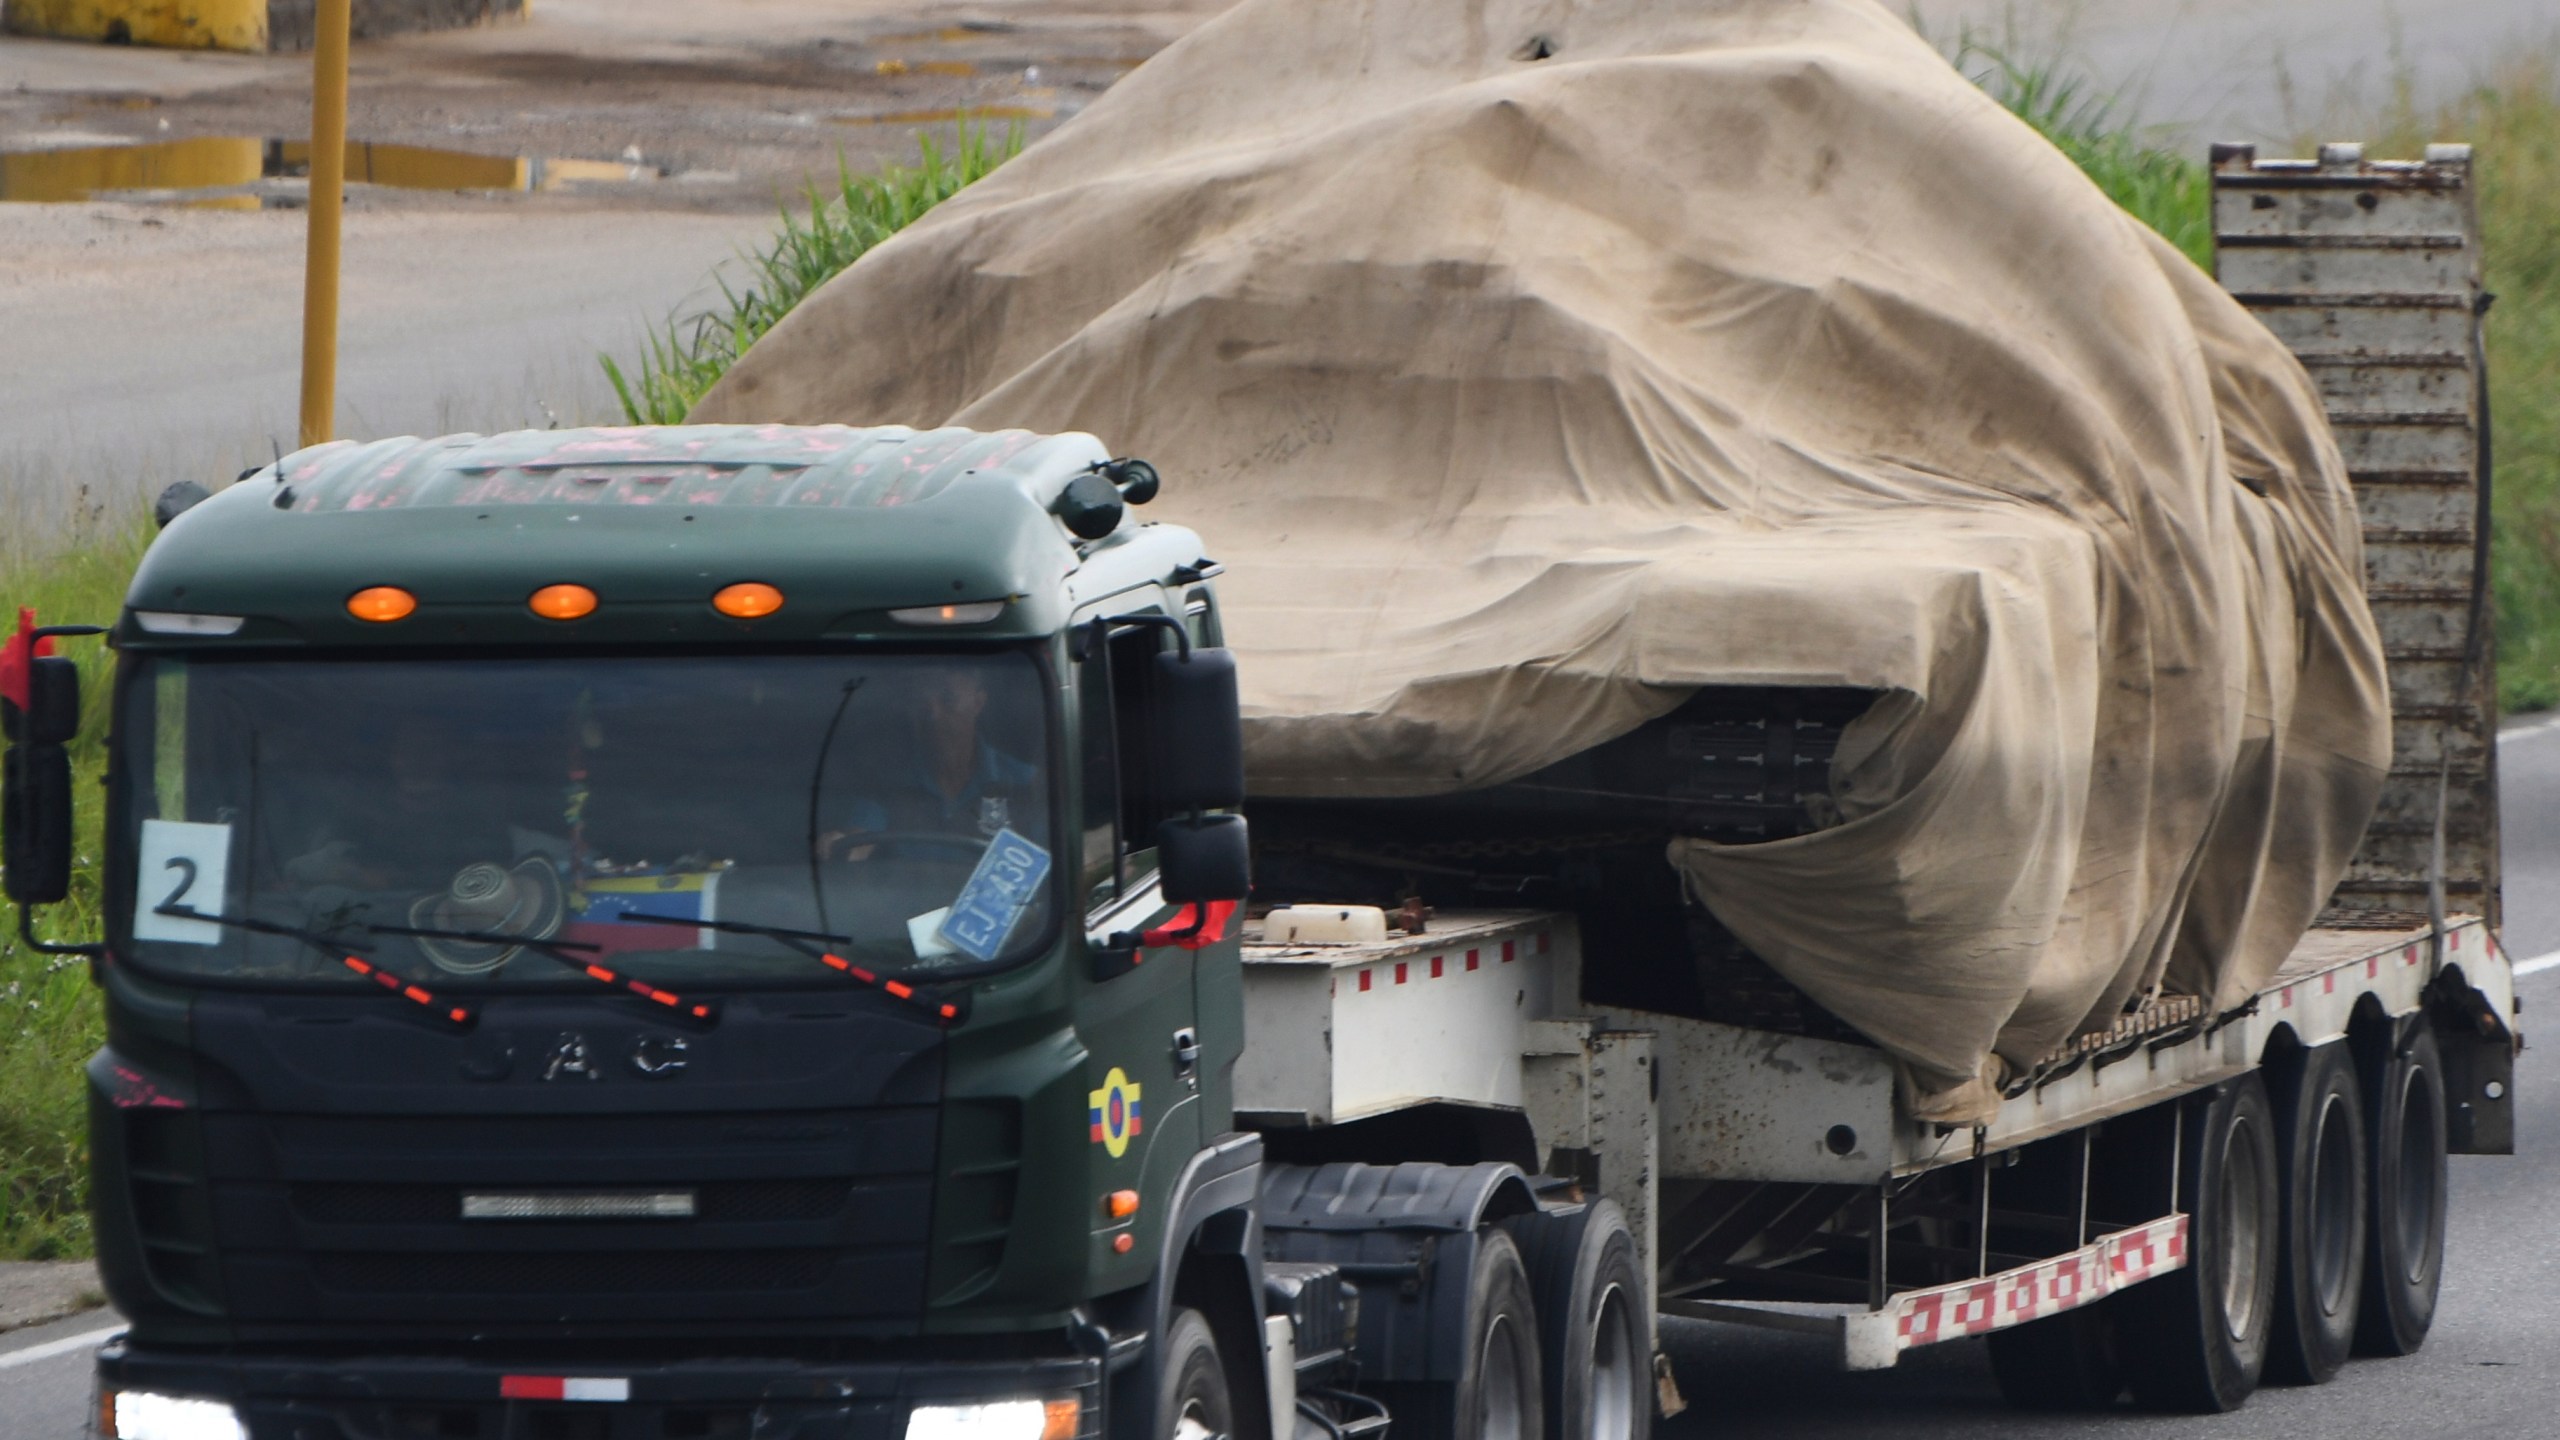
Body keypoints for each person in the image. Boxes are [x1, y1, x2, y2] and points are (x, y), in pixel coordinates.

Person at [816, 666, 1039, 862]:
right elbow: (860, 838)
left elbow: (1048, 864)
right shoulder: (888, 785)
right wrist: (843, 843)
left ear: (978, 703)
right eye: (922, 703)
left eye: (948, 699)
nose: (933, 714)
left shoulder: (1025, 784)